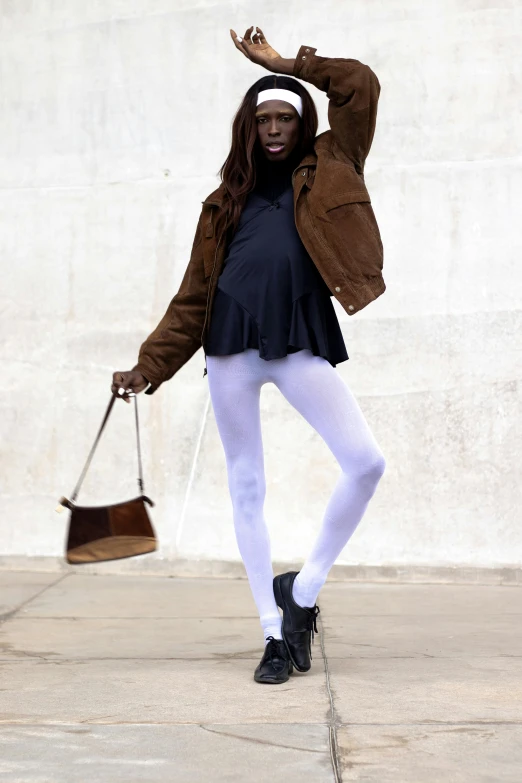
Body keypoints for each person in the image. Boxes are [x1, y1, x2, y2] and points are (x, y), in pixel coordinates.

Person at [112, 26, 387, 685]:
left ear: (300, 124)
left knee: (366, 462)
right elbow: (192, 297)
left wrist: (286, 64)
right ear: (248, 126)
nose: (272, 128)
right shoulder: (222, 204)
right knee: (246, 484)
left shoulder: (333, 160)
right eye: (262, 118)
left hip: (297, 340)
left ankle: (303, 590)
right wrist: (147, 366)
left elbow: (361, 84)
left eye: (283, 118)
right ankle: (270, 629)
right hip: (231, 348)